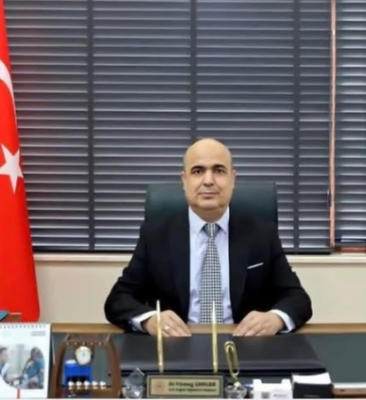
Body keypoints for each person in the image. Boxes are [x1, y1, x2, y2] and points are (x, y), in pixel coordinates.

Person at [104, 138, 312, 337]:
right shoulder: (156, 235)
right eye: (198, 171)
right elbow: (118, 299)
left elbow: (298, 298)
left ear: (232, 179)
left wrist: (274, 319)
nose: (209, 181)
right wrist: (150, 320)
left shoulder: (262, 233)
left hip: (244, 344)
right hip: (177, 345)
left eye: (219, 170)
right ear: (184, 180)